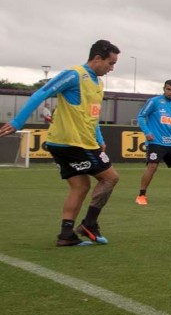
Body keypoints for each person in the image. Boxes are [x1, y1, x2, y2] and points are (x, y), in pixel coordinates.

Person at [0, 39, 121, 246]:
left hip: (77, 142)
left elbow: (92, 115)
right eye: (110, 63)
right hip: (73, 142)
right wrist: (18, 121)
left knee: (80, 186)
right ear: (98, 58)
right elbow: (41, 93)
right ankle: (89, 224)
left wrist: (99, 139)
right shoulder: (74, 74)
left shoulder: (98, 83)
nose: (111, 68)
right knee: (110, 178)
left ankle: (66, 235)